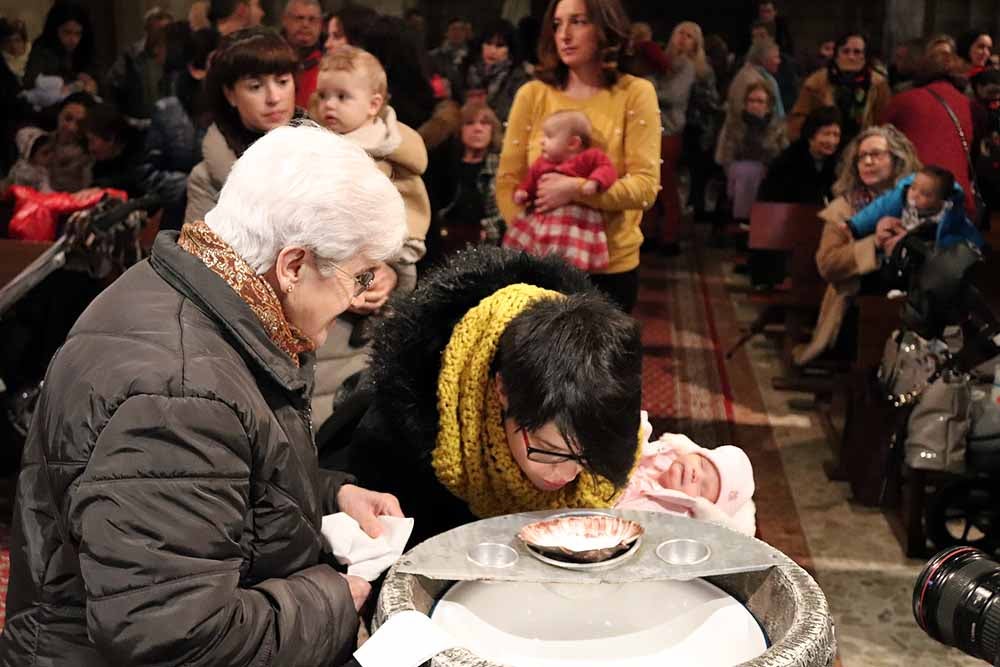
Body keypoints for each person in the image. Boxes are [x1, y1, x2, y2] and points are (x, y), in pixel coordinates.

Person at [0, 124, 408, 667]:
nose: (361, 299)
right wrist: (334, 600)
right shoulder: (181, 391)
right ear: (292, 266)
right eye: (358, 278)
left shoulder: (187, 289)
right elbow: (175, 635)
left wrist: (329, 495)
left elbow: (206, 483)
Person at [337, 246, 643, 546]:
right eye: (549, 450)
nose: (565, 474)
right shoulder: (403, 445)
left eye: (585, 457)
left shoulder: (602, 380)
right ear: (502, 390)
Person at [496, 0, 661, 314]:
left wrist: (575, 191)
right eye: (558, 24)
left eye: (579, 22)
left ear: (605, 29)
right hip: (539, 266)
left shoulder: (636, 93)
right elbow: (507, 183)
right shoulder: (532, 94)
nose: (564, 35)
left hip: (609, 269)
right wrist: (533, 240)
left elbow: (645, 187)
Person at [308, 46, 429, 346]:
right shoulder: (321, 140)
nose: (329, 106)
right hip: (342, 244)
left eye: (342, 97)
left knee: (396, 277)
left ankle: (385, 319)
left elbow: (408, 190)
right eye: (323, 96)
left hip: (391, 236)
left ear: (373, 105)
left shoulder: (380, 143)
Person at [793, 125, 921, 366]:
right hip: (854, 302)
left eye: (876, 154)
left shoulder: (917, 204)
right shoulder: (844, 208)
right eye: (862, 156)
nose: (868, 161)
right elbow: (827, 265)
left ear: (897, 160)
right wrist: (873, 243)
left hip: (906, 300)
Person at [184, 28, 300, 225]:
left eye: (282, 82)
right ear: (230, 94)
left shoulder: (328, 149)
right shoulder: (206, 179)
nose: (274, 98)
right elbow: (196, 254)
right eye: (255, 86)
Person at [503, 110, 617, 271]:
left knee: (568, 263)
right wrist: (524, 192)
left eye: (548, 137)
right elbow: (531, 181)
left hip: (574, 222)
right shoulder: (541, 163)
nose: (541, 142)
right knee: (532, 255)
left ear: (573, 143)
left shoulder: (590, 156)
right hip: (542, 221)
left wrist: (595, 182)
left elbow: (607, 169)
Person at [616, 414, 756, 536]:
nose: (696, 475)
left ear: (701, 506)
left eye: (702, 488)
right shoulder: (665, 454)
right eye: (702, 464)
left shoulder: (670, 512)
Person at [882, 51, 983, 218]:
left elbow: (877, 139)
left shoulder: (903, 101)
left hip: (914, 195)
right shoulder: (971, 106)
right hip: (957, 196)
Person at [147, 28, 219, 230]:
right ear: (197, 69)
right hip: (181, 218)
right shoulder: (169, 111)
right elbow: (148, 173)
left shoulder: (236, 109)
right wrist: (194, 185)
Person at [848, 165, 983, 252]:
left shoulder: (947, 216)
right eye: (913, 187)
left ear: (940, 202)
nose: (915, 194)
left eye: (925, 194)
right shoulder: (901, 196)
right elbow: (879, 208)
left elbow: (967, 236)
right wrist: (854, 226)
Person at [787, 32, 890, 144]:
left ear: (864, 56)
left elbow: (884, 120)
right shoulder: (816, 82)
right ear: (836, 54)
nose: (851, 57)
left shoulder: (878, 84)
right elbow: (798, 120)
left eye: (857, 52)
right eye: (846, 51)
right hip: (824, 144)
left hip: (863, 143)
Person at [435, 101, 506, 259]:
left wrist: (488, 231)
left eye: (485, 123)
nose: (478, 128)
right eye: (469, 123)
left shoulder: (500, 166)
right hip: (446, 244)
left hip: (487, 246)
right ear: (460, 129)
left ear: (492, 129)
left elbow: (504, 212)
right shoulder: (446, 165)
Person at [715, 82, 788, 224]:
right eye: (751, 101)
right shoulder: (735, 126)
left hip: (769, 176)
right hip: (738, 176)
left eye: (760, 101)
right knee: (745, 172)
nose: (754, 105)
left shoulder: (778, 127)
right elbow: (726, 155)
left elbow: (782, 155)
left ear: (768, 106)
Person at [679, 21, 723, 224]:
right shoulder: (668, 65)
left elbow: (712, 102)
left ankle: (698, 209)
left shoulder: (704, 70)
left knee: (698, 170)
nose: (683, 39)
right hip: (671, 124)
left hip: (696, 126)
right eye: (681, 34)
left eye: (689, 36)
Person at [758, 105, 842, 205]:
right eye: (826, 134)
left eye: (836, 135)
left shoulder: (838, 162)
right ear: (811, 136)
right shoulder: (788, 161)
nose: (832, 141)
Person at [103, 7, 173, 125]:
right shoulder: (131, 55)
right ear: (147, 29)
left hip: (164, 124)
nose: (163, 35)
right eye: (160, 30)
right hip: (136, 125)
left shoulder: (173, 55)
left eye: (167, 30)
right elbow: (112, 85)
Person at [462, 19, 532, 124]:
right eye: (488, 44)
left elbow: (517, 114)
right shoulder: (465, 69)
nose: (492, 50)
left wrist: (486, 108)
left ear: (509, 49)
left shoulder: (518, 77)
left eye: (499, 46)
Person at [23, 1, 97, 95]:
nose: (73, 40)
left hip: (83, 103)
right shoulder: (42, 47)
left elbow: (98, 76)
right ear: (55, 30)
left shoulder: (85, 45)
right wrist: (72, 84)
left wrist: (93, 83)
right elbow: (30, 82)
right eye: (67, 32)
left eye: (78, 33)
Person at [726, 37, 784, 119]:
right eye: (776, 57)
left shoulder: (744, 74)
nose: (779, 61)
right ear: (764, 59)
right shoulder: (757, 81)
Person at [48, 91, 94, 192]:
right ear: (58, 115)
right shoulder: (39, 141)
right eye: (67, 118)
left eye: (80, 123)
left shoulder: (91, 154)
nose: (71, 128)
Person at [281, 0, 323, 108]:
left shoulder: (329, 62)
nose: (305, 24)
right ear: (285, 20)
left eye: (312, 19)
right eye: (299, 18)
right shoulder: (269, 56)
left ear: (320, 24)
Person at [3, 127, 54, 192]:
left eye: (51, 150)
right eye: (45, 153)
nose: (51, 156)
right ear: (30, 155)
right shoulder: (23, 172)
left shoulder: (41, 167)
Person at [430, 17, 469, 101]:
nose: (458, 33)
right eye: (454, 29)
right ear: (446, 33)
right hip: (442, 101)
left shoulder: (472, 56)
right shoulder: (434, 56)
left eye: (461, 29)